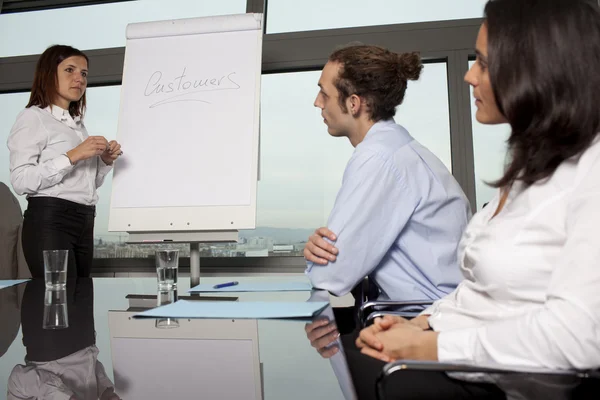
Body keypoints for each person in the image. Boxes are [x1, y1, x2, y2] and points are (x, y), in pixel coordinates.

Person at [351, 0, 600, 398]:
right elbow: (482, 293)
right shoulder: (531, 170)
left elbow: (580, 336)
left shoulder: (591, 174)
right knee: (349, 360)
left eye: (483, 63)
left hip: (514, 387)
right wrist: (422, 324)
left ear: (536, 68)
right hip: (474, 368)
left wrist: (432, 347)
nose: (469, 76)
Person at [304, 45, 471, 305]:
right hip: (438, 314)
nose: (317, 102)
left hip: (427, 323)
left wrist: (319, 258)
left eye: (324, 94)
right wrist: (323, 251)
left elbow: (330, 277)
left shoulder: (378, 159)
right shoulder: (399, 150)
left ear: (353, 103)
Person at [7, 45, 122, 279]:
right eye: (70, 70)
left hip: (85, 219)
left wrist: (105, 162)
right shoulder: (33, 117)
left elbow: (85, 185)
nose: (79, 78)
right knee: (58, 302)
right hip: (51, 220)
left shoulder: (77, 125)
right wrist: (72, 156)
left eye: (84, 73)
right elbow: (20, 181)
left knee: (80, 301)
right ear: (49, 74)